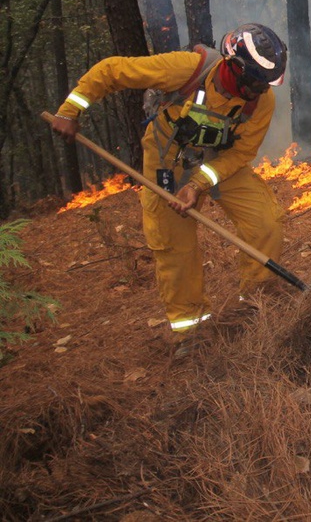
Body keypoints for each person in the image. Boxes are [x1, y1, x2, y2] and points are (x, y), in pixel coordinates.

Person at [51, 23, 288, 344]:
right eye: (254, 84)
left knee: (266, 221)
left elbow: (243, 151)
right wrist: (71, 110)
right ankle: (190, 331)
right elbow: (112, 71)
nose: (259, 92)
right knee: (175, 246)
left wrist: (200, 183)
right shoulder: (187, 70)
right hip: (169, 162)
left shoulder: (261, 101)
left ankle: (257, 304)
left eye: (265, 86)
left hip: (218, 162)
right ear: (234, 66)